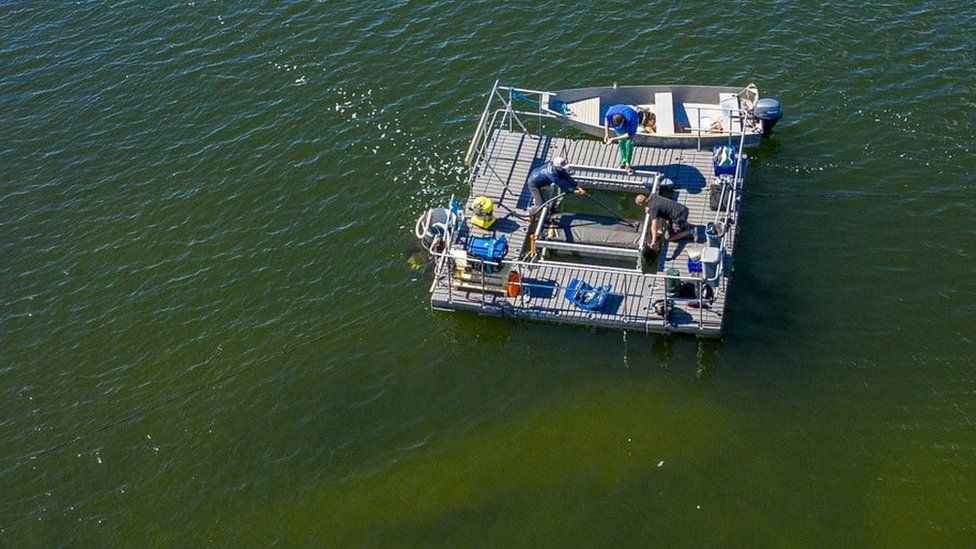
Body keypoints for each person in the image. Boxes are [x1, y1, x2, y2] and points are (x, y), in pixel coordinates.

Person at [603, 104, 639, 175]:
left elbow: (629, 134)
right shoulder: (610, 114)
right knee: (621, 143)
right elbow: (606, 121)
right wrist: (606, 134)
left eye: (620, 125)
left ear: (623, 120)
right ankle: (623, 162)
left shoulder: (631, 119)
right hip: (620, 127)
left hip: (629, 125)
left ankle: (628, 164)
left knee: (629, 143)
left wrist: (613, 139)